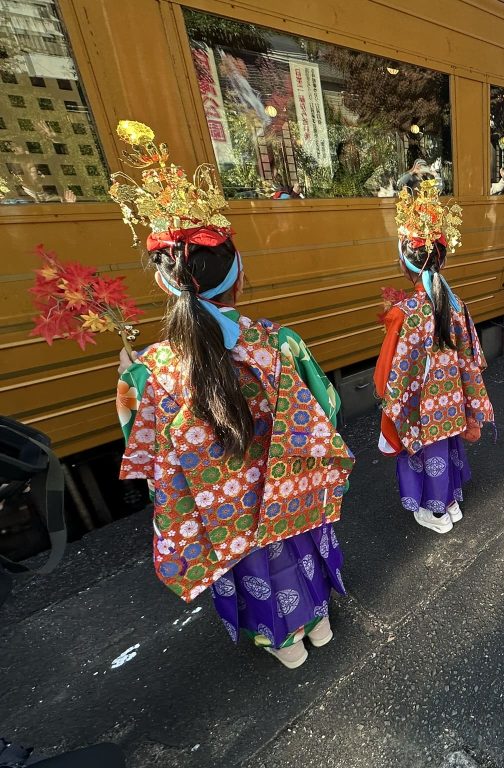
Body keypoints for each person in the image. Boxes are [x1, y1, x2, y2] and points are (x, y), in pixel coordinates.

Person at [109, 120, 355, 669]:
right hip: (288, 494)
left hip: (226, 517)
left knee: (255, 570)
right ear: (237, 273)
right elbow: (327, 410)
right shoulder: (279, 342)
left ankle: (284, 642)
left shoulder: (148, 372)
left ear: (165, 282)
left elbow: (147, 454)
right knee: (300, 547)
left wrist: (130, 378)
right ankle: (318, 623)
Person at [375, 179, 494, 533]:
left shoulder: (405, 312)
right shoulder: (455, 303)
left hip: (421, 406)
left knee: (426, 453)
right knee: (446, 445)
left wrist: (387, 392)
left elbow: (388, 372)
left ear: (404, 263)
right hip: (451, 400)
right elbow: (471, 354)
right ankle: (451, 502)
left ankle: (436, 511)